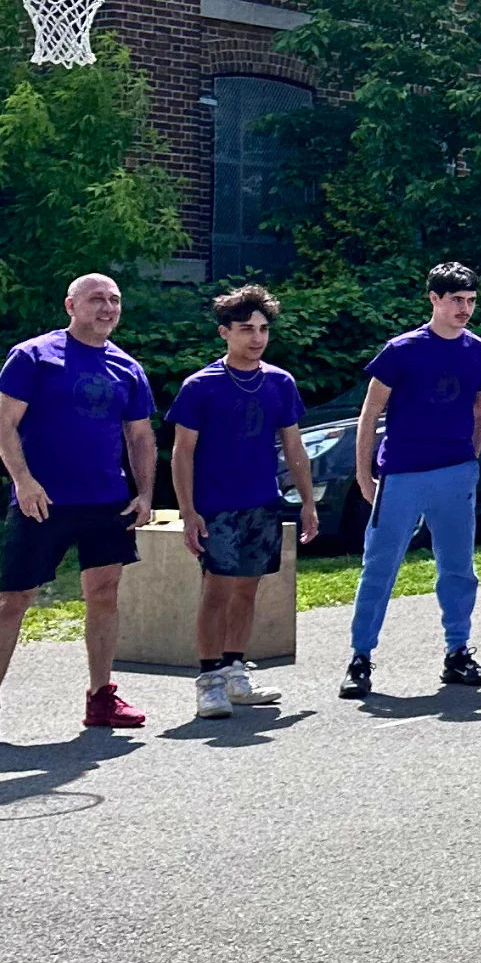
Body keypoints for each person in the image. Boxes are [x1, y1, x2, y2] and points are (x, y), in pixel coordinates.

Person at [0, 273, 158, 746]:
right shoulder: (33, 356)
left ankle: (100, 697)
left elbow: (139, 437)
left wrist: (145, 493)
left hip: (106, 501)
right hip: (42, 502)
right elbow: (3, 425)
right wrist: (24, 481)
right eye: (97, 299)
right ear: (71, 305)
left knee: (104, 593)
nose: (108, 308)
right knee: (13, 600)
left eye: (114, 300)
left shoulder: (127, 368)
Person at [343, 262, 481, 698]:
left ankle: (458, 653)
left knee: (458, 568)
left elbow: (478, 411)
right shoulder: (402, 350)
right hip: (401, 474)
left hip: (455, 474)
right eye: (456, 301)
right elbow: (370, 414)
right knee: (379, 567)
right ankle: (360, 657)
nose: (464, 309)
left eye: (470, 301)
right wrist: (363, 472)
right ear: (433, 299)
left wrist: (469, 460)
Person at [166, 286, 317, 720]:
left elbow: (294, 448)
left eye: (264, 329)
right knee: (216, 588)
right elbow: (182, 452)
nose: (257, 338)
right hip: (216, 505)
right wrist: (188, 511)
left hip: (263, 502)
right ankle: (209, 680)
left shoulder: (280, 382)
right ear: (224, 333)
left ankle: (236, 671)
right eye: (247, 329)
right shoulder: (201, 386)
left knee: (248, 588)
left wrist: (307, 503)